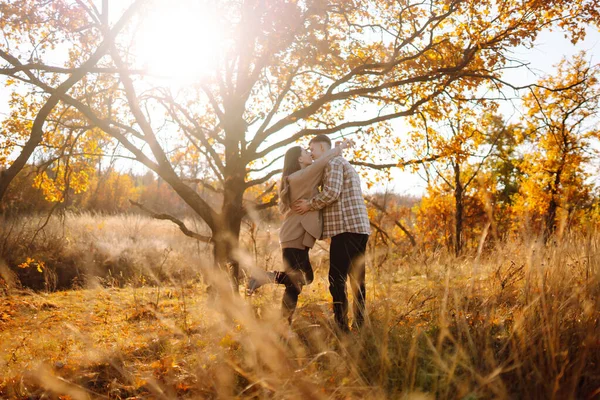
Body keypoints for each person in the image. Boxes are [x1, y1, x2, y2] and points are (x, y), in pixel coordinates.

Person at [246, 139, 352, 324]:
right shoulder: (300, 176)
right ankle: (264, 281)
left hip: (294, 236)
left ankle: (283, 325)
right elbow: (320, 163)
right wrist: (339, 148)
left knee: (297, 283)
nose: (310, 154)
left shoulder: (299, 176)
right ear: (299, 160)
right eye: (305, 151)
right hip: (293, 237)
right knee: (300, 280)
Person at [292, 134, 371, 333]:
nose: (311, 153)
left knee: (337, 278)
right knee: (356, 278)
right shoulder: (340, 161)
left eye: (312, 149)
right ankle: (359, 325)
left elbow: (332, 192)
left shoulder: (333, 163)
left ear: (321, 147)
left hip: (346, 228)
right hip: (358, 227)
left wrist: (309, 204)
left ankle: (342, 327)